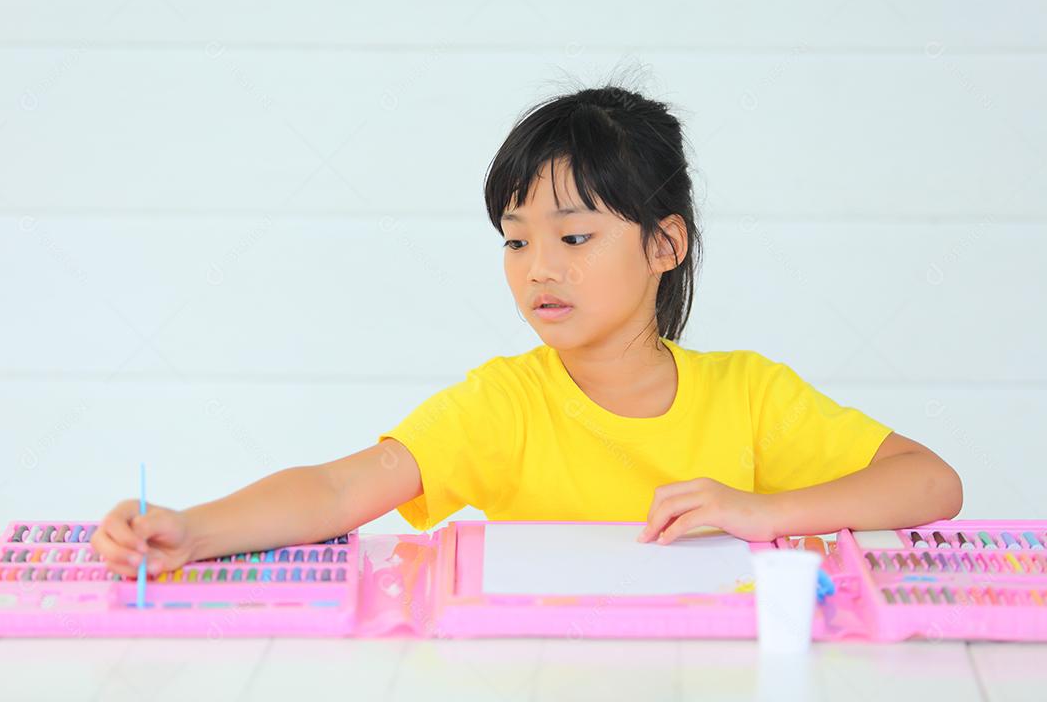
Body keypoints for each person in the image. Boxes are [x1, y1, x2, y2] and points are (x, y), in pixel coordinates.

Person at [92, 84, 963, 579]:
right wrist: (193, 531)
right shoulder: (504, 403)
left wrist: (761, 511)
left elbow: (929, 484)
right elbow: (332, 491)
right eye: (515, 241)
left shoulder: (751, 393)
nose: (538, 267)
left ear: (665, 243)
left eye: (575, 237)